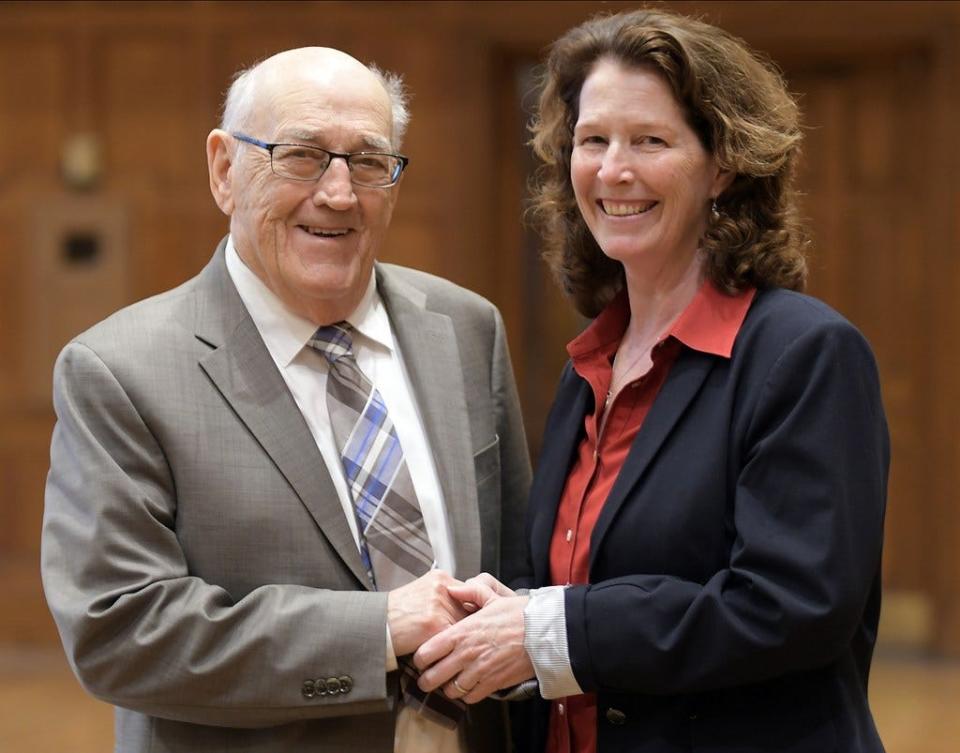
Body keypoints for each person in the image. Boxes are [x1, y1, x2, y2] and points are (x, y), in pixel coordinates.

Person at [413, 9, 889, 753]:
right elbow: (604, 585)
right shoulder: (591, 364)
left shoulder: (804, 353)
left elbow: (791, 606)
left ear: (722, 164)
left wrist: (554, 629)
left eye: (650, 141)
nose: (612, 170)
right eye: (592, 140)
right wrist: (516, 619)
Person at [40, 47, 531, 753]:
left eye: (368, 160)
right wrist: (381, 627)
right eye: (300, 155)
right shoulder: (120, 371)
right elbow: (120, 631)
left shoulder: (465, 328)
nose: (338, 193)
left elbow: (516, 568)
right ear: (223, 170)